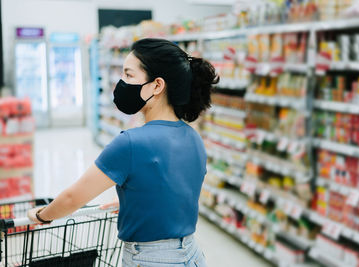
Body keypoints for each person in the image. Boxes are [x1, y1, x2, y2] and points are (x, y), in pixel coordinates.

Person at [28, 38, 219, 267]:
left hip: (150, 260)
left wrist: (42, 216)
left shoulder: (130, 143)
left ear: (157, 85)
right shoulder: (193, 137)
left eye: (129, 75)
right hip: (193, 257)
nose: (121, 83)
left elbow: (72, 198)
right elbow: (179, 192)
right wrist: (141, 200)